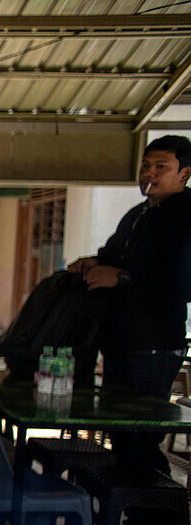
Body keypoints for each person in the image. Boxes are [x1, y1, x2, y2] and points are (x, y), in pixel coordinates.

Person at [68, 134, 191, 476]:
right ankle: (124, 522)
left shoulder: (183, 216)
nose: (149, 174)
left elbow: (182, 283)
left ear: (184, 174)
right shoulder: (138, 214)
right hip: (120, 342)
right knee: (120, 436)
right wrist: (91, 264)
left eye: (161, 167)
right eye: (146, 166)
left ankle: (155, 523)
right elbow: (113, 257)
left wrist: (121, 278)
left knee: (140, 438)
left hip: (153, 347)